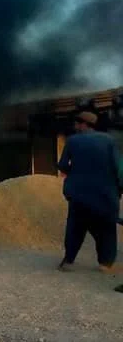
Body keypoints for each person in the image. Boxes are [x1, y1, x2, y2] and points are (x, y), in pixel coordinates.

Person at [57, 111, 121, 273]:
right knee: (106, 228)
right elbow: (119, 168)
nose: (75, 126)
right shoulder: (109, 141)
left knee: (75, 227)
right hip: (105, 195)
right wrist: (120, 188)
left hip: (79, 194)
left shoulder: (72, 141)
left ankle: (68, 261)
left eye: (76, 123)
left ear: (82, 124)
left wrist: (76, 170)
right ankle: (105, 263)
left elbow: (63, 165)